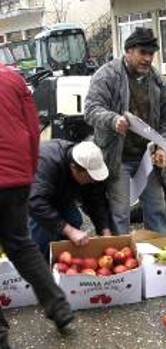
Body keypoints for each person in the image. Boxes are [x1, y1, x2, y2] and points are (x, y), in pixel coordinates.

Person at [0, 63, 74, 347]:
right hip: (16, 177)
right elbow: (33, 128)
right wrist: (28, 172)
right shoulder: (13, 78)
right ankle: (59, 306)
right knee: (21, 245)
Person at [84, 27, 166, 235]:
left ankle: (160, 260)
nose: (147, 58)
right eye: (142, 52)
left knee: (157, 210)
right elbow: (90, 110)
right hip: (118, 157)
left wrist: (164, 144)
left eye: (151, 54)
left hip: (148, 156)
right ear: (128, 51)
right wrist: (113, 120)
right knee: (120, 215)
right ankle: (124, 261)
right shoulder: (106, 75)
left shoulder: (156, 80)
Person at [28, 140, 111, 260]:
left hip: (63, 194)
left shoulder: (88, 167)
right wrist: (69, 230)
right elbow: (35, 202)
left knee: (74, 220)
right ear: (73, 168)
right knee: (42, 239)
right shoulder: (48, 163)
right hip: (37, 199)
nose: (93, 181)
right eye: (89, 177)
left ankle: (63, 262)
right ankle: (42, 266)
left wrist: (105, 230)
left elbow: (96, 200)